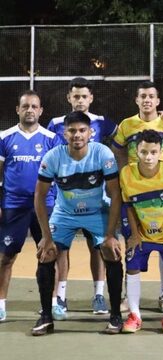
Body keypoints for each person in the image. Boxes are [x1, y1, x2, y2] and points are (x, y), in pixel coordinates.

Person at [32, 111, 123, 336]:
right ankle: (46, 316)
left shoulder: (102, 153)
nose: (77, 135)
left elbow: (115, 194)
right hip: (65, 213)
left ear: (90, 133)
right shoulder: (53, 157)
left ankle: (115, 316)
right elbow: (39, 197)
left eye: (82, 130)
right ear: (64, 133)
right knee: (46, 254)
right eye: (72, 131)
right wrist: (46, 235)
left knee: (111, 252)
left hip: (96, 211)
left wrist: (111, 234)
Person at [112, 81, 163, 311]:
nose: (146, 100)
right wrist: (127, 173)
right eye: (142, 96)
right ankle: (129, 296)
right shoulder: (126, 125)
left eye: (151, 96)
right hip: (137, 191)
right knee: (133, 244)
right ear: (137, 100)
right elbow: (118, 150)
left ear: (157, 101)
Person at [47, 77, 118, 316]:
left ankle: (99, 295)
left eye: (83, 96)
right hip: (66, 196)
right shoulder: (56, 123)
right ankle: (61, 296)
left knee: (97, 248)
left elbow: (122, 140)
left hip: (94, 197)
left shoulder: (102, 123)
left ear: (91, 98)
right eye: (75, 96)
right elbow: (51, 156)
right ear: (69, 98)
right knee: (60, 250)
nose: (79, 100)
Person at [0, 90, 61, 322]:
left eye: (34, 106)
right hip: (13, 205)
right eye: (25, 106)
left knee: (48, 253)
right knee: (6, 257)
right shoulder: (5, 137)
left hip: (45, 205)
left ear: (41, 110)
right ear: (18, 109)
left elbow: (58, 173)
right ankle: (1, 304)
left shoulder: (51, 138)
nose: (30, 110)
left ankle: (53, 303)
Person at [120, 129, 163, 334]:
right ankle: (135, 315)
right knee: (131, 266)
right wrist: (134, 234)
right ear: (136, 151)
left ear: (161, 152)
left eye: (153, 152)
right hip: (142, 232)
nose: (149, 157)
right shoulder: (127, 173)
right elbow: (128, 206)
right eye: (144, 152)